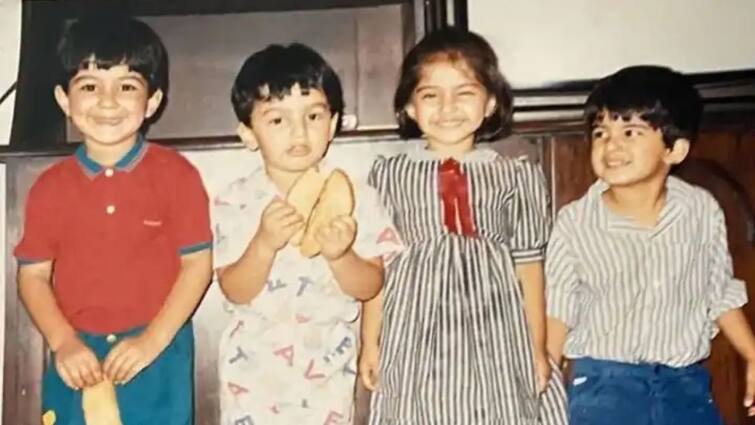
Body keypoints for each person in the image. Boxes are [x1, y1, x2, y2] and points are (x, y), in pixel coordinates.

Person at [360, 27, 568, 424]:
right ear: (408, 106)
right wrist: (371, 342)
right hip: (414, 332)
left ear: (490, 102)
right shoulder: (388, 176)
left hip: (496, 333)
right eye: (430, 95)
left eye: (465, 93)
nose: (447, 107)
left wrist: (537, 347)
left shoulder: (516, 176)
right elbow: (378, 265)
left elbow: (529, 268)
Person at [14, 15, 213, 425]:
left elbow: (198, 266)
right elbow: (32, 277)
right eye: (89, 86)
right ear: (64, 100)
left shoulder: (176, 175)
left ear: (152, 101)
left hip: (155, 354)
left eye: (127, 86)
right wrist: (63, 342)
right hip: (77, 357)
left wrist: (153, 341)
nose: (108, 102)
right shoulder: (49, 188)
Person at [545, 65, 755, 424]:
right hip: (604, 386)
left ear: (674, 150)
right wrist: (544, 383)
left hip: (684, 384)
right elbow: (559, 309)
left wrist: (752, 355)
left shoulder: (700, 211)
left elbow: (718, 292)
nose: (612, 145)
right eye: (600, 133)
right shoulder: (575, 222)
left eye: (630, 131)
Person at [213, 43, 401, 425]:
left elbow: (370, 285)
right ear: (248, 133)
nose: (299, 131)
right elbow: (235, 289)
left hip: (326, 368)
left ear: (332, 124)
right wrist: (263, 243)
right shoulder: (237, 199)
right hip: (252, 375)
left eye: (313, 116)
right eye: (277, 120)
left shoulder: (356, 194)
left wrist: (340, 255)